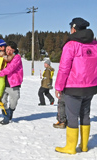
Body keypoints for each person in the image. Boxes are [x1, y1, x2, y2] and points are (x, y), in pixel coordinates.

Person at [55, 17, 97, 154]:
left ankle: (70, 147)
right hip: (90, 87)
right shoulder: (94, 44)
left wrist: (58, 87)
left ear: (73, 29)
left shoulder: (71, 45)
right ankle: (84, 146)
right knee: (85, 114)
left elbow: (64, 68)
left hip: (73, 87)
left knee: (72, 116)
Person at [0, 41, 23, 125]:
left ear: (14, 50)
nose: (8, 52)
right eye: (8, 49)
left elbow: (10, 68)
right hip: (3, 83)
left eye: (11, 50)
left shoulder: (17, 57)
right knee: (2, 101)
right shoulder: (3, 56)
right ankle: (5, 117)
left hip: (14, 83)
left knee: (14, 101)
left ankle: (11, 111)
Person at [0, 39, 15, 107]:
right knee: (1, 85)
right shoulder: (1, 53)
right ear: (0, 47)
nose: (5, 47)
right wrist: (13, 55)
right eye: (4, 46)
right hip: (0, 71)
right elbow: (7, 59)